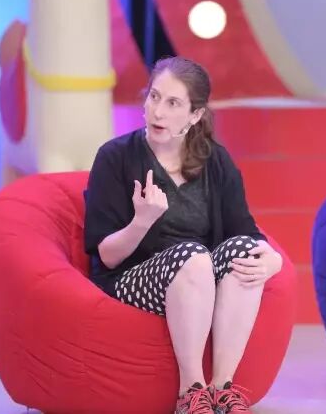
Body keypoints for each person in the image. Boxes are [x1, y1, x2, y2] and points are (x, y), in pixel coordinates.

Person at [84, 56, 283, 414]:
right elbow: (108, 257)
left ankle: (222, 388)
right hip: (132, 278)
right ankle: (190, 392)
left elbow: (245, 231)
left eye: (173, 103)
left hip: (198, 282)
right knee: (192, 256)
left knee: (243, 252)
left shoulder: (215, 161)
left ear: (195, 115)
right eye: (154, 97)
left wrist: (273, 260)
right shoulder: (115, 157)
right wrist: (142, 221)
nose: (158, 111)